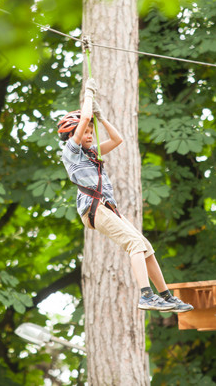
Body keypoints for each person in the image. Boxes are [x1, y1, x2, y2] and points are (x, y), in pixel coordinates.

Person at [57, 79, 193, 313]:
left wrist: (101, 117)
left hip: (106, 207)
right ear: (72, 134)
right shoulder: (71, 152)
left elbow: (118, 139)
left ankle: (165, 296)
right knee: (134, 244)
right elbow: (85, 119)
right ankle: (145, 295)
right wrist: (89, 95)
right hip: (94, 208)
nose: (89, 135)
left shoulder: (92, 153)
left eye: (91, 132)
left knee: (145, 246)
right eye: (85, 132)